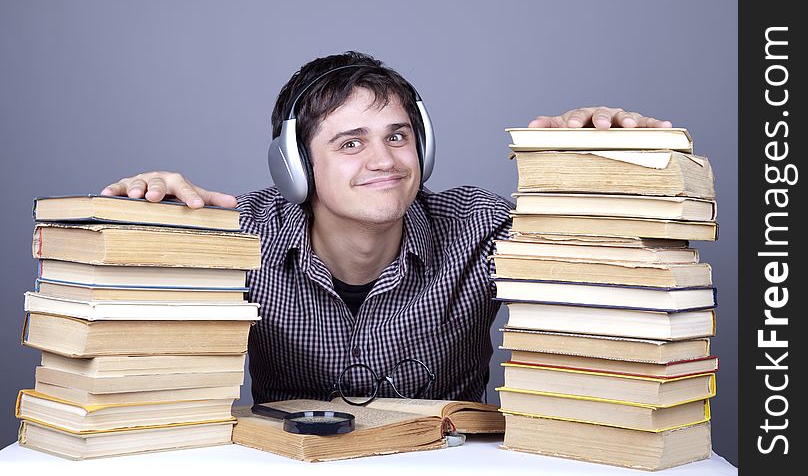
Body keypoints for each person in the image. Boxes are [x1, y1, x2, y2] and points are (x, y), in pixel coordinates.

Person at [101, 51, 672, 404]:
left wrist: (610, 159)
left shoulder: (480, 227)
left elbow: (612, 263)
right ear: (295, 168)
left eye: (397, 136)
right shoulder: (238, 238)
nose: (386, 161)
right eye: (351, 144)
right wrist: (148, 223)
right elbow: (130, 361)